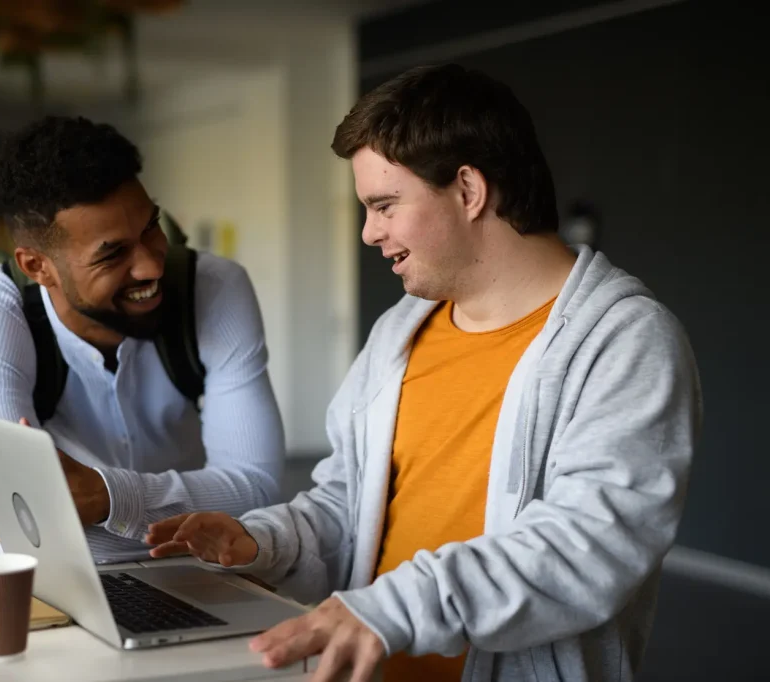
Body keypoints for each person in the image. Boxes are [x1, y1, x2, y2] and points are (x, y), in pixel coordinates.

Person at [145, 64, 702, 682]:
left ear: (468, 190)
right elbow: (346, 503)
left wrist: (389, 610)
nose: (368, 232)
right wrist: (262, 542)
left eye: (384, 205)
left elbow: (587, 548)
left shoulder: (626, 339)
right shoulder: (400, 331)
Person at [0, 116, 285, 564]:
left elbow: (259, 491)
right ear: (37, 267)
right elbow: (22, 536)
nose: (152, 267)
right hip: (83, 584)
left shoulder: (215, 288)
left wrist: (106, 499)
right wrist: (204, 511)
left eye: (150, 228)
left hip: (206, 573)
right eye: (113, 254)